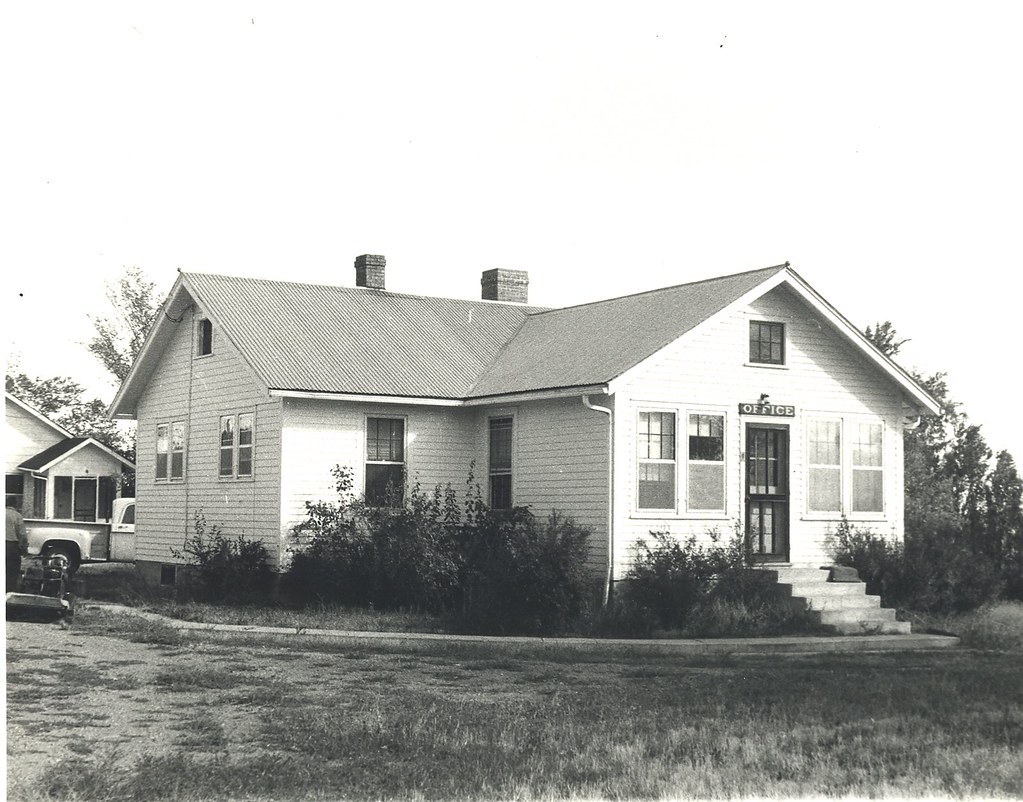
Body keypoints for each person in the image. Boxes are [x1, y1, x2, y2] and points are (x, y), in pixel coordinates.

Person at [7, 495, 28, 592]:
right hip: (11, 547)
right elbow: (22, 535)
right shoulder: (17, 516)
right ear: (15, 504)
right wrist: (24, 550)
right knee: (12, 572)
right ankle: (8, 594)